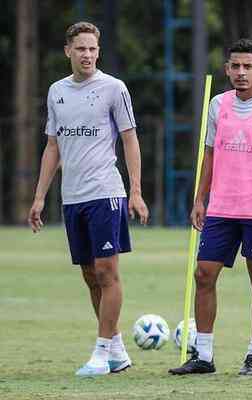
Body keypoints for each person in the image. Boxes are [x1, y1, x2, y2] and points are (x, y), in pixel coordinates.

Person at [168, 39, 252, 377]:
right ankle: (205, 356)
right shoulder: (217, 105)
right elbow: (209, 154)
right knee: (204, 274)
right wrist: (200, 199)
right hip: (221, 208)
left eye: (247, 67)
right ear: (226, 69)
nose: (241, 73)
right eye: (235, 67)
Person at [28, 22, 149, 377]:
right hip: (72, 197)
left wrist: (136, 191)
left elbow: (130, 139)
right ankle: (117, 350)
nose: (87, 55)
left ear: (99, 51)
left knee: (106, 271)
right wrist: (39, 197)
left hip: (106, 192)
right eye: (81, 48)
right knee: (89, 274)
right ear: (68, 51)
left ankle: (100, 353)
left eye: (93, 49)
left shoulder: (114, 88)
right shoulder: (56, 91)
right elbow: (52, 146)